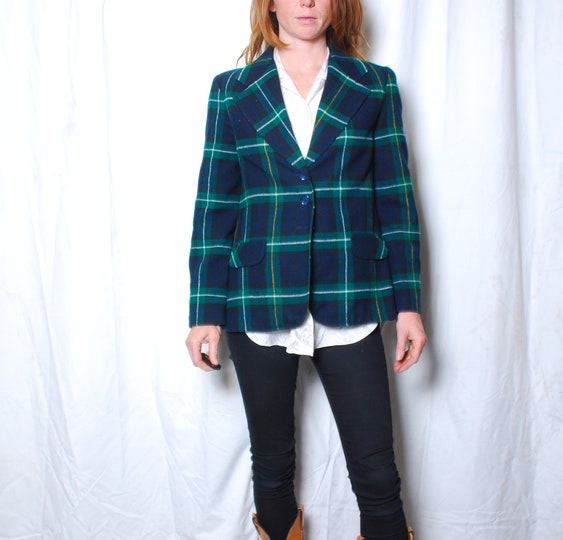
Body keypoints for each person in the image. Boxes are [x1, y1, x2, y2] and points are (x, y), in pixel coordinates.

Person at [185, 0, 426, 538]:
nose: (307, 2)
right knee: (271, 465)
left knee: (376, 470)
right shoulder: (232, 90)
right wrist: (204, 310)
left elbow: (396, 198)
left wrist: (408, 304)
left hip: (351, 292)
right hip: (260, 293)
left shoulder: (375, 86)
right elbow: (215, 204)